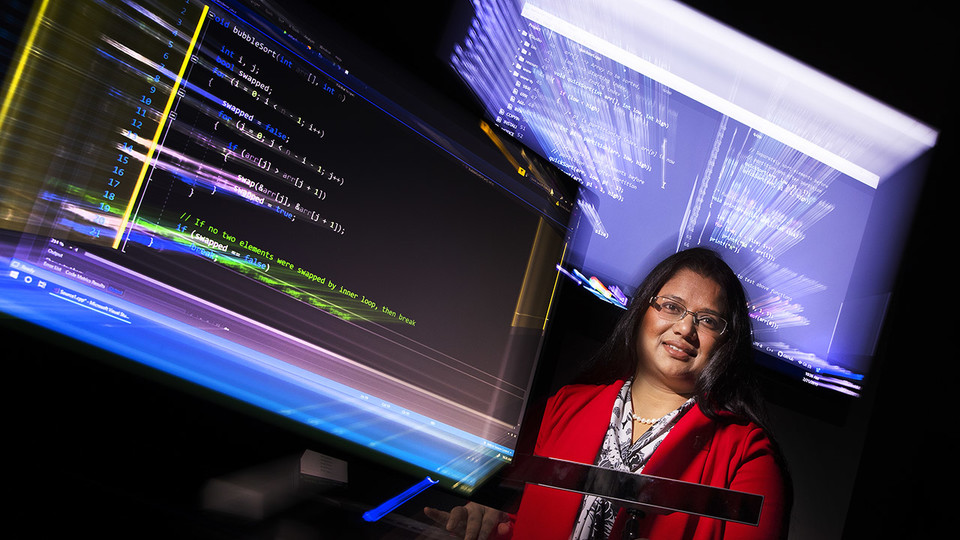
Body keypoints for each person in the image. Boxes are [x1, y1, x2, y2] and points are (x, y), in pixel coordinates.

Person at [425, 248, 791, 539]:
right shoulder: (563, 406)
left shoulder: (748, 456)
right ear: (642, 311)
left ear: (726, 343)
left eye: (707, 320)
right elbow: (507, 512)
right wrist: (488, 523)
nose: (684, 328)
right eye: (671, 307)